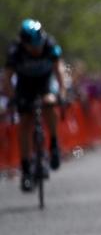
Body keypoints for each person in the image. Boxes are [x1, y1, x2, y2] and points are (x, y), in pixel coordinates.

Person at [3, 19, 67, 192]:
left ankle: (53, 144)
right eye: (33, 47)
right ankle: (26, 169)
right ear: (24, 43)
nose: (37, 49)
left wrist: (62, 92)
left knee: (49, 103)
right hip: (25, 85)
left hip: (45, 82)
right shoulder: (15, 51)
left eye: (38, 45)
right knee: (25, 122)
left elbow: (59, 70)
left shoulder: (49, 44)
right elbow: (7, 79)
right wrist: (12, 98)